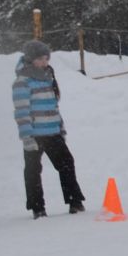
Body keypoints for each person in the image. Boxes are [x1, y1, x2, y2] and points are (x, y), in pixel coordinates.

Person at [13, 39, 86, 218]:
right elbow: (22, 112)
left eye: (46, 58)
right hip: (34, 135)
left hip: (53, 133)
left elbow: (54, 106)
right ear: (31, 59)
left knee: (67, 163)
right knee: (33, 171)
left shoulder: (48, 77)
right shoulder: (22, 82)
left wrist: (60, 128)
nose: (45, 62)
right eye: (41, 59)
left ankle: (74, 201)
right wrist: (27, 136)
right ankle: (37, 207)